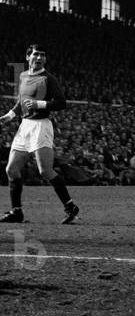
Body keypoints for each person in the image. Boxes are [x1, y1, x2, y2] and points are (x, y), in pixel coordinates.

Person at [0, 45, 79, 224]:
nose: (40, 57)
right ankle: (16, 211)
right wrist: (10, 116)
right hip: (25, 127)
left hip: (41, 127)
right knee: (11, 169)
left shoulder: (48, 79)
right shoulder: (23, 76)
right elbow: (21, 101)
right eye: (36, 54)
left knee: (45, 171)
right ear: (28, 57)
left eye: (43, 55)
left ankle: (70, 206)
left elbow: (61, 103)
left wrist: (39, 104)